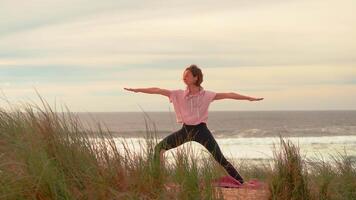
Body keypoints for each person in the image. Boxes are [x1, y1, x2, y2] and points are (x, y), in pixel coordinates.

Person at [124, 64, 264, 184]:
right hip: (186, 130)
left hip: (202, 131)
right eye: (183, 76)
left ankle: (240, 182)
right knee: (158, 148)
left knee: (220, 158)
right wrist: (138, 90)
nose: (184, 78)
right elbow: (157, 90)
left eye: (187, 75)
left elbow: (229, 94)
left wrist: (248, 98)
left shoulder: (207, 95)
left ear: (196, 77)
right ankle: (158, 178)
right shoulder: (178, 94)